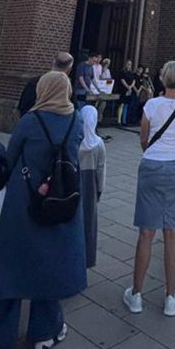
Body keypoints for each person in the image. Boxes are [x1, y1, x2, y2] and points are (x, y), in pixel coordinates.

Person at [0, 71, 86, 349]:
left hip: (26, 203)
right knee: (49, 265)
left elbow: (9, 159)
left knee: (11, 268)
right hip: (62, 201)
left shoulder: (29, 121)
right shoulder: (77, 121)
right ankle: (45, 331)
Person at [124, 61, 175, 317]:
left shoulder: (151, 105)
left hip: (152, 165)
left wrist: (153, 152)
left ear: (163, 80)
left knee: (146, 233)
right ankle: (170, 298)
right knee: (172, 234)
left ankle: (136, 295)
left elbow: (143, 139)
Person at [79, 105, 106, 268]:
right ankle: (87, 258)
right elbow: (101, 170)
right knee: (88, 223)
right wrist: (99, 190)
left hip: (76, 179)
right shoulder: (98, 143)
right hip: (90, 184)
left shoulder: (76, 140)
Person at [17, 52, 74, 117]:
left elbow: (24, 107)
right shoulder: (68, 87)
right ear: (69, 70)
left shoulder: (34, 82)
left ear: (53, 64)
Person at [117, 59, 137, 125]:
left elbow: (134, 80)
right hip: (123, 89)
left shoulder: (131, 72)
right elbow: (122, 80)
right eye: (128, 64)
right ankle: (119, 120)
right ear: (125, 64)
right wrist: (127, 87)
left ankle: (124, 120)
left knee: (126, 105)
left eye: (130, 64)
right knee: (122, 104)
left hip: (129, 90)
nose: (129, 65)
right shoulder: (122, 72)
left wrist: (131, 87)